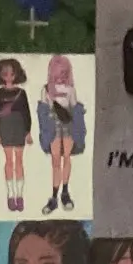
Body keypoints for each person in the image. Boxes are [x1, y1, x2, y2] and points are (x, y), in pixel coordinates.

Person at [36, 54, 85, 213]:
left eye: (64, 72)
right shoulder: (46, 89)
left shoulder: (71, 89)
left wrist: (79, 128)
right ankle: (54, 196)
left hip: (68, 126)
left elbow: (75, 110)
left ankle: (65, 192)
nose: (60, 76)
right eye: (57, 72)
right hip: (53, 127)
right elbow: (42, 112)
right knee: (56, 160)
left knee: (67, 158)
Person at [0, 56, 32, 213]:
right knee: (9, 161)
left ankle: (19, 196)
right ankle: (10, 194)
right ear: (0, 75)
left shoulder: (22, 93)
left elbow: (26, 113)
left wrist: (28, 131)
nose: (8, 77)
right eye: (5, 74)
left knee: (19, 161)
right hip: (5, 127)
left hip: (19, 126)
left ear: (17, 74)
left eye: (11, 74)